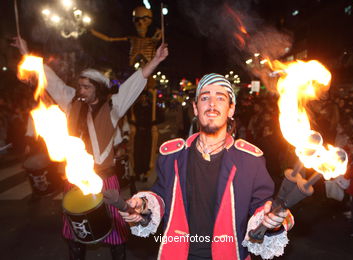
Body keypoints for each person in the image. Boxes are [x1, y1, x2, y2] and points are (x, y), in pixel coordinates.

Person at [12, 36, 168, 260]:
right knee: (75, 232)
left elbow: (136, 82)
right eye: (80, 86)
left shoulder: (113, 106)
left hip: (104, 179)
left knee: (115, 233)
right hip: (74, 181)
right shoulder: (71, 102)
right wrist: (27, 53)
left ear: (98, 89)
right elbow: (49, 80)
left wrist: (156, 60)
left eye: (86, 87)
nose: (81, 90)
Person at [120, 73, 294, 260]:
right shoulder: (172, 155)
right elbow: (161, 196)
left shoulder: (250, 160)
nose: (212, 103)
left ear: (231, 109)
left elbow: (261, 207)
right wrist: (144, 205)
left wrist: (271, 219)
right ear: (195, 108)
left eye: (220, 98)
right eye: (205, 97)